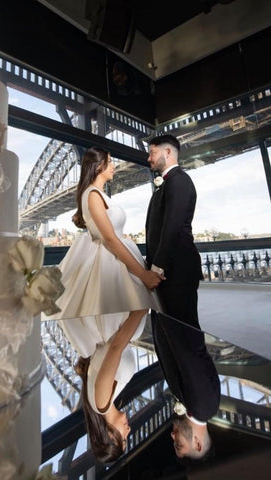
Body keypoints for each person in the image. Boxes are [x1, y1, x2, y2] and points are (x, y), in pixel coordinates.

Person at [52, 146, 164, 462]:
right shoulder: (104, 401)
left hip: (111, 269)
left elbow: (115, 348)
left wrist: (140, 296)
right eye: (111, 162)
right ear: (98, 166)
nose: (129, 430)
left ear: (109, 434)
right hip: (112, 268)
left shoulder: (102, 401)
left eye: (124, 437)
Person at [145, 134, 221, 460]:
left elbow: (174, 227)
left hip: (174, 273)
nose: (174, 436)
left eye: (151, 154)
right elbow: (172, 227)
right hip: (171, 273)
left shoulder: (180, 183)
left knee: (174, 326)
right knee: (181, 329)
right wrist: (157, 269)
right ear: (199, 444)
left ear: (166, 153)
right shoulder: (204, 405)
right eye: (180, 443)